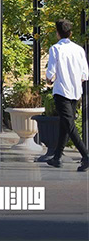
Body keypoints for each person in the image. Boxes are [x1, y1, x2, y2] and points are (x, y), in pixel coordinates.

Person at [45, 19, 89, 171]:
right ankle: (57, 157)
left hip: (62, 91)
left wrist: (49, 80)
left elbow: (50, 73)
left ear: (57, 33)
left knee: (69, 125)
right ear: (70, 33)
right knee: (65, 124)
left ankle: (86, 156)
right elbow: (85, 74)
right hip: (76, 91)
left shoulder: (55, 49)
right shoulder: (79, 50)